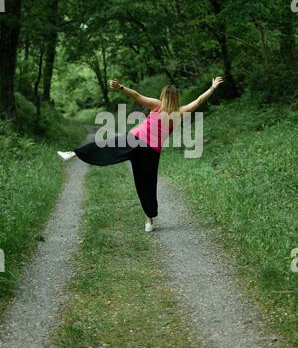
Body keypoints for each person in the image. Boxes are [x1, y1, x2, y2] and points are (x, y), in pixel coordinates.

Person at [57, 77, 224, 232]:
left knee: (106, 146)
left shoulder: (157, 105)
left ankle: (73, 154)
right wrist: (213, 87)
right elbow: (199, 100)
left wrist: (120, 87)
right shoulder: (181, 111)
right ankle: (149, 221)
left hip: (135, 141)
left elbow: (136, 96)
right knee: (146, 184)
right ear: (177, 98)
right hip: (151, 152)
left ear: (163, 96)